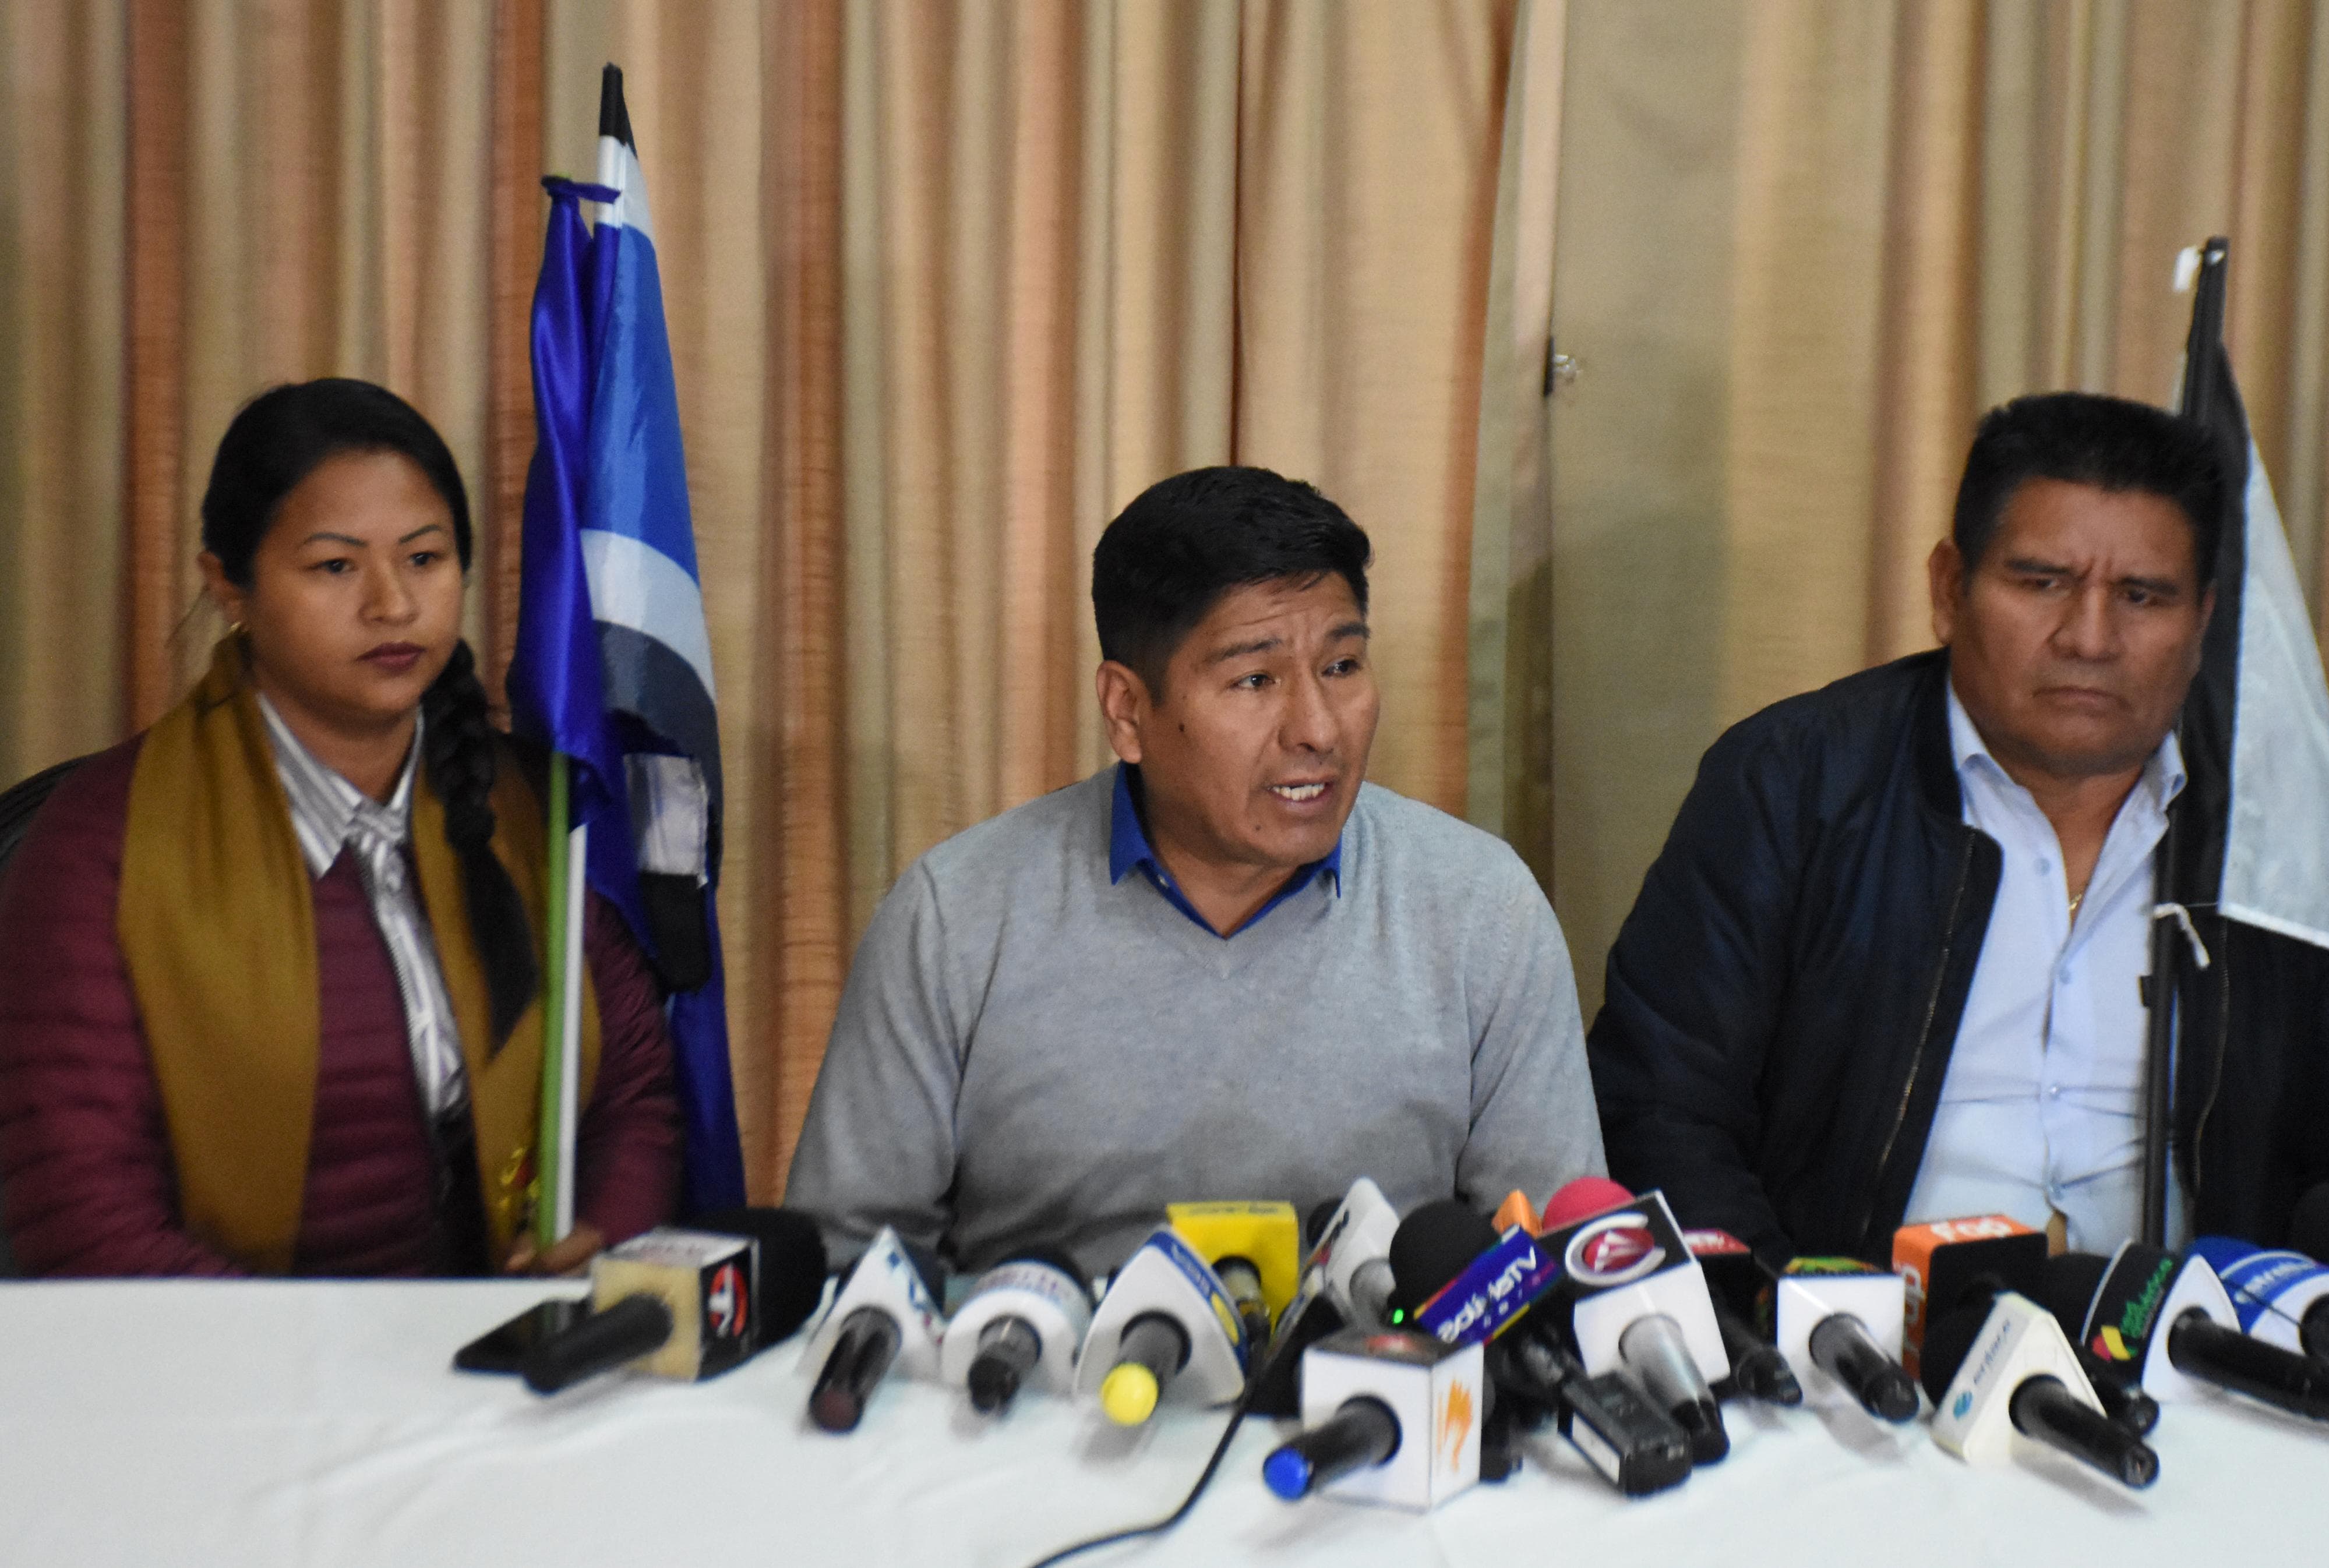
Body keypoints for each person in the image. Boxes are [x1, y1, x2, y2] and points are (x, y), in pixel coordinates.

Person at [1590, 392, 2329, 1263]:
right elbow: (1659, 1108)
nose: (2090, 639)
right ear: (1950, 591)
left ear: (2204, 622)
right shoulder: (1793, 783)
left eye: (2142, 596)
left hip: (2187, 1333)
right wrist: (1792, 1313)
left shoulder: (2279, 828)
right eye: (2043, 583)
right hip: (1853, 1328)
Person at [786, 466, 1604, 1276]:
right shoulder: (957, 918)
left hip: (1378, 1356)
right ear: (1127, 712)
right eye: (1255, 680)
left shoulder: (1480, 908)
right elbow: (847, 1266)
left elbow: (1558, 1257)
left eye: (1342, 667)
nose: (1319, 730)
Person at [0, 379, 681, 1277]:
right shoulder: (99, 847)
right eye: (335, 567)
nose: (392, 605)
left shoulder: (517, 806)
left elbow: (634, 1095)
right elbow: (79, 1213)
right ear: (228, 585)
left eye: (424, 558)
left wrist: (595, 1233)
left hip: (501, 1341)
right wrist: (331, 1354)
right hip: (222, 1354)